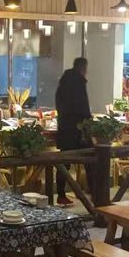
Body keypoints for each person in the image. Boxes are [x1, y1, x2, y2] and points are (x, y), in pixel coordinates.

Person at [54, 58, 92, 207]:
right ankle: (94, 192)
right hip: (78, 129)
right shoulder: (78, 83)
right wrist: (87, 125)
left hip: (64, 128)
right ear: (83, 68)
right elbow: (83, 107)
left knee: (65, 162)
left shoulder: (63, 83)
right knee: (91, 158)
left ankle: (61, 194)